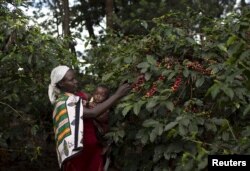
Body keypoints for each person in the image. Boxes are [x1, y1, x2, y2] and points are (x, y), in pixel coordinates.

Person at [48, 65, 131, 171]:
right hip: (77, 155)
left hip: (91, 150)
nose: (76, 81)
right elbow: (93, 113)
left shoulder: (74, 98)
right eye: (71, 80)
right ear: (61, 83)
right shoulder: (64, 101)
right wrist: (118, 95)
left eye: (75, 78)